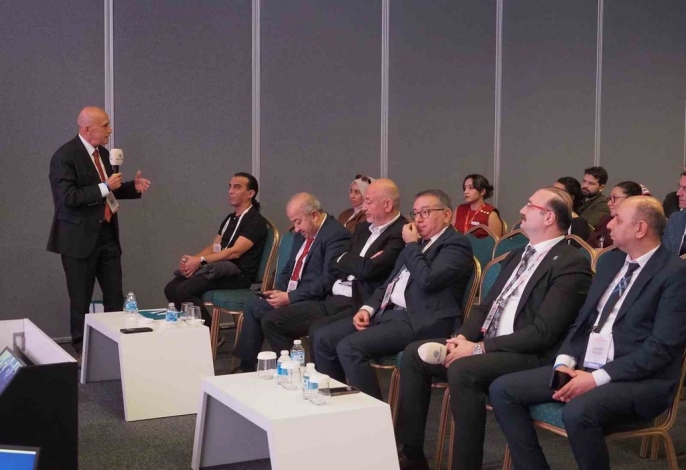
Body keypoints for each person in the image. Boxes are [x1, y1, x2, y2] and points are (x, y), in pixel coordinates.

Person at [395, 187, 592, 470]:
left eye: (530, 206)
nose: (522, 210)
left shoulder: (571, 263)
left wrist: (478, 348)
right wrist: (461, 338)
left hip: (529, 354)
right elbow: (484, 308)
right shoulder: (516, 256)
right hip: (491, 345)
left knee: (463, 370)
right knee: (415, 354)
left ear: (549, 217)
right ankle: (411, 455)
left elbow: (543, 333)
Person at [490, 196, 686, 470]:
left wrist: (595, 379)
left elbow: (660, 349)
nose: (610, 225)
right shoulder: (610, 262)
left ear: (640, 229)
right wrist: (564, 362)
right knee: (503, 389)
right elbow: (583, 322)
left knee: (578, 412)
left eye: (618, 219)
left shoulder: (675, 274)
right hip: (585, 366)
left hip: (639, 380)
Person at [313, 189, 474, 400]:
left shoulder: (455, 244)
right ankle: (336, 403)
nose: (418, 219)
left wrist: (412, 245)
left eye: (425, 212)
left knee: (349, 347)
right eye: (415, 213)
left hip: (420, 319)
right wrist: (367, 308)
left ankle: (373, 414)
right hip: (389, 313)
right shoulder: (417, 244)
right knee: (324, 338)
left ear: (446, 215)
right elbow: (390, 282)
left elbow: (428, 280)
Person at [47, 106, 151, 358]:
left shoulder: (103, 154)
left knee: (114, 296)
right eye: (105, 125)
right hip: (78, 240)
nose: (110, 130)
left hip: (107, 236)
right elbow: (68, 197)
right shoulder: (64, 156)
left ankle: (114, 346)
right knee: (80, 299)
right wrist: (105, 186)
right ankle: (82, 350)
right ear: (87, 129)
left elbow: (111, 190)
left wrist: (132, 187)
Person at [261, 179, 406, 354]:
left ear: (387, 205)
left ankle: (318, 372)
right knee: (272, 321)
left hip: (358, 301)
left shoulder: (400, 233)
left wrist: (352, 261)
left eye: (368, 201)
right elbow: (335, 263)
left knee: (319, 332)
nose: (363, 207)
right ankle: (293, 367)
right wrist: (355, 261)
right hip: (333, 296)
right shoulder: (362, 228)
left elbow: (368, 269)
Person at [232, 193, 351, 372]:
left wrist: (290, 297)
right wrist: (279, 291)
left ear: (314, 215)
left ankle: (292, 370)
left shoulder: (336, 236)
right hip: (294, 293)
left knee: (271, 320)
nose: (296, 228)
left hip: (316, 299)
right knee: (254, 305)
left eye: (298, 222)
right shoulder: (304, 231)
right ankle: (247, 367)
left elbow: (327, 281)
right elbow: (290, 266)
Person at [163, 173, 267, 324]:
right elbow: (214, 247)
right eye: (230, 187)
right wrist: (192, 261)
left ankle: (208, 333)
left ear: (250, 193)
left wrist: (200, 261)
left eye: (237, 187)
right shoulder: (230, 218)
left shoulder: (255, 221)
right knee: (171, 288)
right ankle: (192, 330)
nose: (230, 191)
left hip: (238, 275)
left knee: (184, 290)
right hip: (219, 270)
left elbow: (235, 252)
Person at [586, 181, 643, 249]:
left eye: (614, 198)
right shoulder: (605, 220)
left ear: (630, 199)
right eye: (610, 198)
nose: (609, 203)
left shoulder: (634, 226)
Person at [663, 171, 686, 256]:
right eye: (679, 187)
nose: (678, 193)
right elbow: (665, 257)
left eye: (685, 189)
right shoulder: (675, 219)